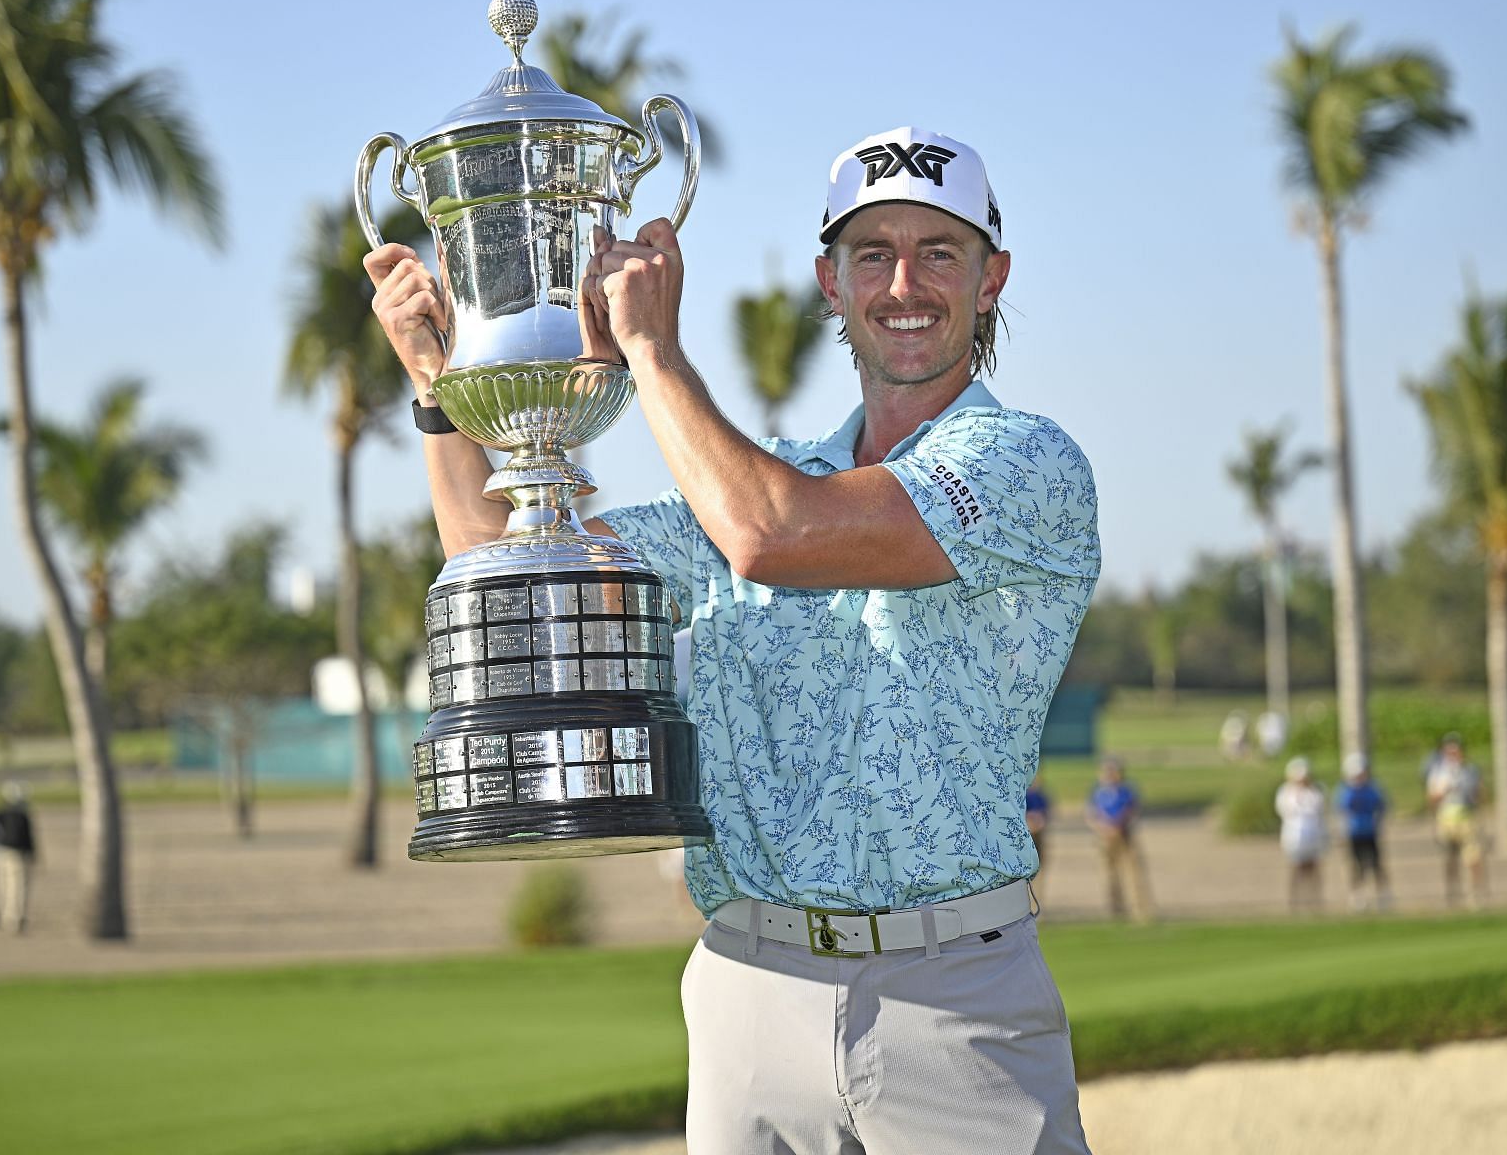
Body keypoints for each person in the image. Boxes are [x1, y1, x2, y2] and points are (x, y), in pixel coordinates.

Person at [367, 125, 1101, 1153]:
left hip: (956, 999)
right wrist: (444, 390)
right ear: (829, 281)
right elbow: (506, 565)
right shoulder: (752, 477)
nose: (905, 282)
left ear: (992, 279)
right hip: (749, 996)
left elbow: (773, 533)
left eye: (940, 251)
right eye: (871, 254)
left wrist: (651, 352)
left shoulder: (1029, 463)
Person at [1425, 734, 1490, 908]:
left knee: (1474, 857)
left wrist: (1474, 796)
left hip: (1467, 817)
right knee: (1450, 857)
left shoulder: (1470, 771)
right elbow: (1432, 798)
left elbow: (1480, 795)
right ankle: (1453, 893)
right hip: (1447, 818)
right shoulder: (1439, 772)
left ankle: (1476, 893)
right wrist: (1444, 791)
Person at [1085, 756, 1153, 922]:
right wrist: (1103, 827)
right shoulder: (1098, 792)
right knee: (1109, 874)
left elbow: (1134, 810)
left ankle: (1141, 909)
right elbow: (1091, 814)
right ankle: (1115, 909)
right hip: (1105, 836)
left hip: (1125, 834)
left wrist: (1121, 824)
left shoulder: (1126, 791)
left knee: (1133, 872)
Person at [1334, 752, 1391, 911]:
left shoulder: (1372, 789)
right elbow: (1342, 812)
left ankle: (1383, 895)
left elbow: (1382, 806)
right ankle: (1357, 897)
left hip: (1370, 831)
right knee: (1356, 866)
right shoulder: (1345, 791)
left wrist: (1378, 822)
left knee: (1376, 864)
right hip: (1354, 833)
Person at [1274, 756, 1326, 911]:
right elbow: (1286, 811)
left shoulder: (1316, 791)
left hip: (1313, 835)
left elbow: (1318, 809)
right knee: (1297, 868)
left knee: (1313, 868)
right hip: (1294, 837)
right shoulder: (1286, 793)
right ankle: (1295, 901)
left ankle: (1314, 900)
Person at [0, 781, 37, 934]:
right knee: (18, 887)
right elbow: (28, 838)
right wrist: (34, 855)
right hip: (17, 855)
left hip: (1, 853)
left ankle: (8, 917)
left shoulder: (1, 813)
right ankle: (17, 917)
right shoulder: (22, 815)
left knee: (5, 886)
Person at [1025, 776, 1053, 879]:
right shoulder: (1023, 795)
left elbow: (1047, 812)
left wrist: (1040, 822)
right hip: (1027, 835)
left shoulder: (1040, 796)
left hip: (1039, 833)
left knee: (1040, 861)